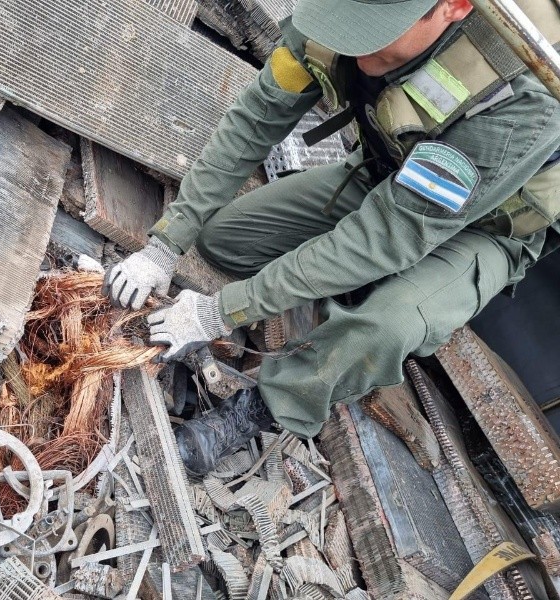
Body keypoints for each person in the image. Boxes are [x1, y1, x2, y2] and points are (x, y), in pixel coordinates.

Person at [103, 0, 560, 475]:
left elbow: (387, 236)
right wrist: (166, 244)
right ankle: (348, 283)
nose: (355, 46)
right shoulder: (343, 12)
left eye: (377, 33)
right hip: (388, 172)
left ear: (453, 7)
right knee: (225, 241)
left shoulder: (523, 95)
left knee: (388, 325)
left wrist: (220, 311)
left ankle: (266, 407)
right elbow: (256, 118)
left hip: (482, 233)